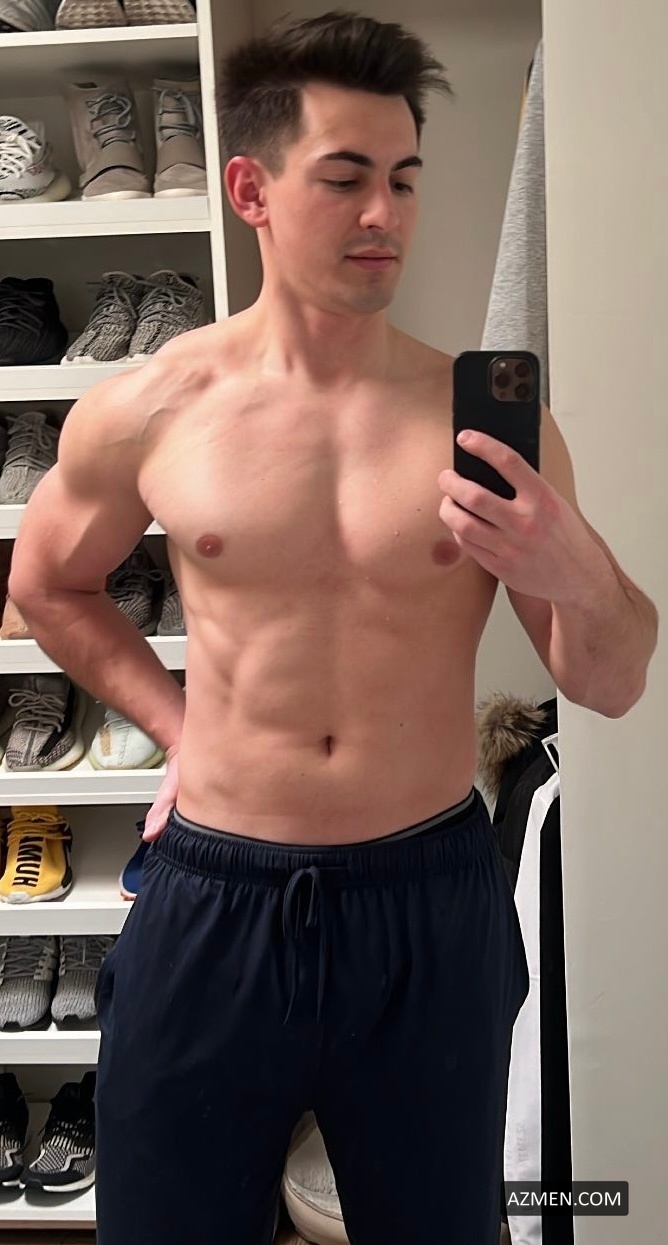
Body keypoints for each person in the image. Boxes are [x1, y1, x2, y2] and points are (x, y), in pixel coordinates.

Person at [9, 11, 658, 1245]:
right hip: (214, 897)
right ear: (249, 190)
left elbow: (612, 681)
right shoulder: (150, 408)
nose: (384, 214)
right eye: (345, 177)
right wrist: (179, 729)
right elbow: (48, 585)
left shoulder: (485, 417)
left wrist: (574, 569)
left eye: (403, 179)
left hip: (428, 899)